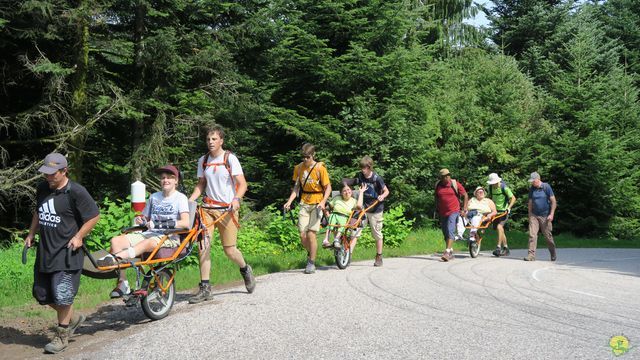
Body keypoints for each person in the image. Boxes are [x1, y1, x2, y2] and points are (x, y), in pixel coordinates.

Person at [23, 153, 100, 354]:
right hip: (46, 250)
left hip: (67, 252)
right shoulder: (42, 188)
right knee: (40, 294)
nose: (48, 178)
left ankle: (62, 336)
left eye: (52, 174)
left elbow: (94, 216)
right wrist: (31, 233)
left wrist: (79, 236)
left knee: (63, 296)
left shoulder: (76, 192)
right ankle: (73, 318)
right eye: (46, 174)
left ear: (64, 171)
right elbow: (39, 212)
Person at [97, 165, 190, 298]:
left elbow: (185, 223)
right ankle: (123, 283)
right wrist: (141, 219)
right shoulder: (154, 197)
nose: (165, 180)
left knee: (148, 242)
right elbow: (145, 217)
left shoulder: (180, 198)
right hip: (150, 233)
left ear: (176, 181)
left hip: (169, 237)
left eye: (170, 178)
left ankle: (115, 259)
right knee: (116, 241)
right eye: (163, 178)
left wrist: (160, 224)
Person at [188, 124, 256, 303]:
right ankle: (205, 288)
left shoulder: (230, 158)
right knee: (203, 247)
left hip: (227, 210)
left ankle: (245, 269)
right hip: (208, 210)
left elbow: (242, 184)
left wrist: (236, 200)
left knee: (230, 251)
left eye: (214, 139)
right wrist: (191, 200)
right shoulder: (203, 160)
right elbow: (201, 183)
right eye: (208, 139)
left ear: (221, 141)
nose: (210, 142)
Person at [284, 143, 332, 274]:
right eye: (303, 157)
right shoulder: (298, 168)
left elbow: (328, 188)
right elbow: (296, 188)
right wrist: (289, 201)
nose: (305, 160)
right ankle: (312, 252)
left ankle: (311, 262)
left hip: (317, 203)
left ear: (313, 155)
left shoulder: (320, 168)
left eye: (308, 157)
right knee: (302, 235)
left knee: (311, 234)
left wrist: (323, 202)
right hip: (304, 203)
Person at [345, 156, 389, 266]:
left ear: (369, 167)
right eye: (361, 168)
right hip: (364, 207)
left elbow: (386, 191)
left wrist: (382, 196)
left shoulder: (376, 178)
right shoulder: (360, 176)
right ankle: (347, 255)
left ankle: (379, 256)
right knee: (355, 230)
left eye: (364, 168)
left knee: (377, 234)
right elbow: (355, 184)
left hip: (376, 209)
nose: (362, 170)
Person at [435, 168, 468, 262]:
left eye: (448, 175)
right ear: (441, 177)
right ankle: (450, 252)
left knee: (450, 229)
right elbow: (436, 197)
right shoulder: (438, 185)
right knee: (445, 233)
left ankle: (447, 252)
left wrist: (464, 209)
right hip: (442, 212)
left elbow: (465, 195)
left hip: (454, 211)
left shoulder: (455, 184)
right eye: (445, 176)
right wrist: (436, 208)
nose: (447, 177)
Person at [524, 172, 557, 261]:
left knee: (548, 236)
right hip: (534, 214)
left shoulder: (546, 187)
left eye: (533, 181)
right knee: (532, 235)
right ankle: (531, 255)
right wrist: (530, 215)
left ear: (538, 179)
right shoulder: (532, 189)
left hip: (545, 215)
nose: (532, 183)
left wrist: (551, 214)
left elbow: (553, 201)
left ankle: (553, 252)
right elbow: (530, 203)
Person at [321, 183, 365, 249]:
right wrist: (327, 213)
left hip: (345, 216)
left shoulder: (353, 201)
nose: (347, 192)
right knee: (331, 222)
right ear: (341, 193)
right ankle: (326, 239)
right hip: (334, 214)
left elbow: (359, 206)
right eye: (344, 191)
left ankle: (336, 239)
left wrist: (361, 192)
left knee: (343, 225)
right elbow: (328, 207)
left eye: (348, 190)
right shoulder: (337, 198)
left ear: (351, 191)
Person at [486, 173, 517, 257]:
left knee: (500, 227)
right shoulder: (491, 188)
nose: (493, 185)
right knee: (499, 230)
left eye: (494, 183)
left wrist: (509, 208)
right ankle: (506, 248)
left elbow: (513, 198)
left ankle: (498, 247)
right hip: (495, 212)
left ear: (497, 181)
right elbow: (489, 198)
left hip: (504, 212)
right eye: (491, 183)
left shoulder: (504, 188)